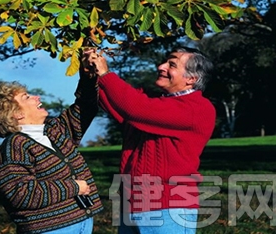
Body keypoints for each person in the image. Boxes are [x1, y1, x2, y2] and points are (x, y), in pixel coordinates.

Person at [87, 46, 216, 234]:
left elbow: (135, 108)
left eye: (171, 64)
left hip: (168, 209)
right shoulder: (159, 105)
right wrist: (90, 74)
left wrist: (106, 74)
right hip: (133, 206)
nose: (161, 66)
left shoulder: (198, 108)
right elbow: (117, 104)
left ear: (191, 79)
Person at [0, 60, 103, 234]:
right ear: (17, 114)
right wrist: (74, 187)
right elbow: (20, 194)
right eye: (27, 97)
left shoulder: (54, 130)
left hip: (81, 223)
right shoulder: (15, 147)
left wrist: (88, 77)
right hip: (50, 230)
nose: (37, 97)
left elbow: (85, 107)